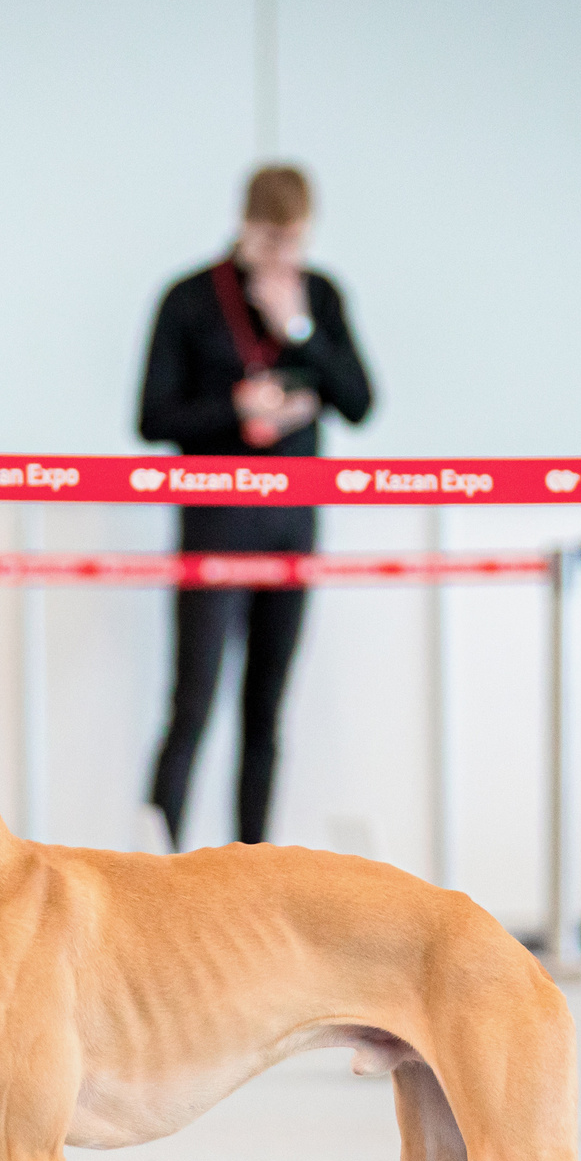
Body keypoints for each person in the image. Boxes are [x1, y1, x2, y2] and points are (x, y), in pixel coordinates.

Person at [136, 163, 373, 848]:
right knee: (192, 704)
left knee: (266, 710)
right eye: (270, 240)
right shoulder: (189, 298)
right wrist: (235, 407)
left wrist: (296, 328)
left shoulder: (319, 296)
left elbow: (359, 401)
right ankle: (151, 875)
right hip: (215, 521)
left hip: (292, 523)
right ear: (244, 226)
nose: (282, 256)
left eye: (294, 241)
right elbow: (152, 417)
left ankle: (254, 872)